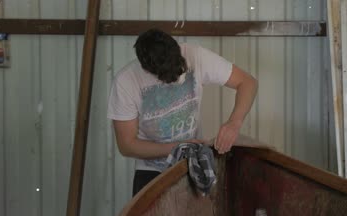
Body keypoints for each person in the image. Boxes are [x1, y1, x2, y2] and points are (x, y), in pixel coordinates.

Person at [107, 28, 258, 196]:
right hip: (152, 171)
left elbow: (248, 83)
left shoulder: (195, 55)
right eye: (169, 77)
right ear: (148, 69)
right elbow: (127, 146)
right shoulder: (126, 82)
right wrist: (176, 148)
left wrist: (234, 123)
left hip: (193, 164)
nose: (178, 78)